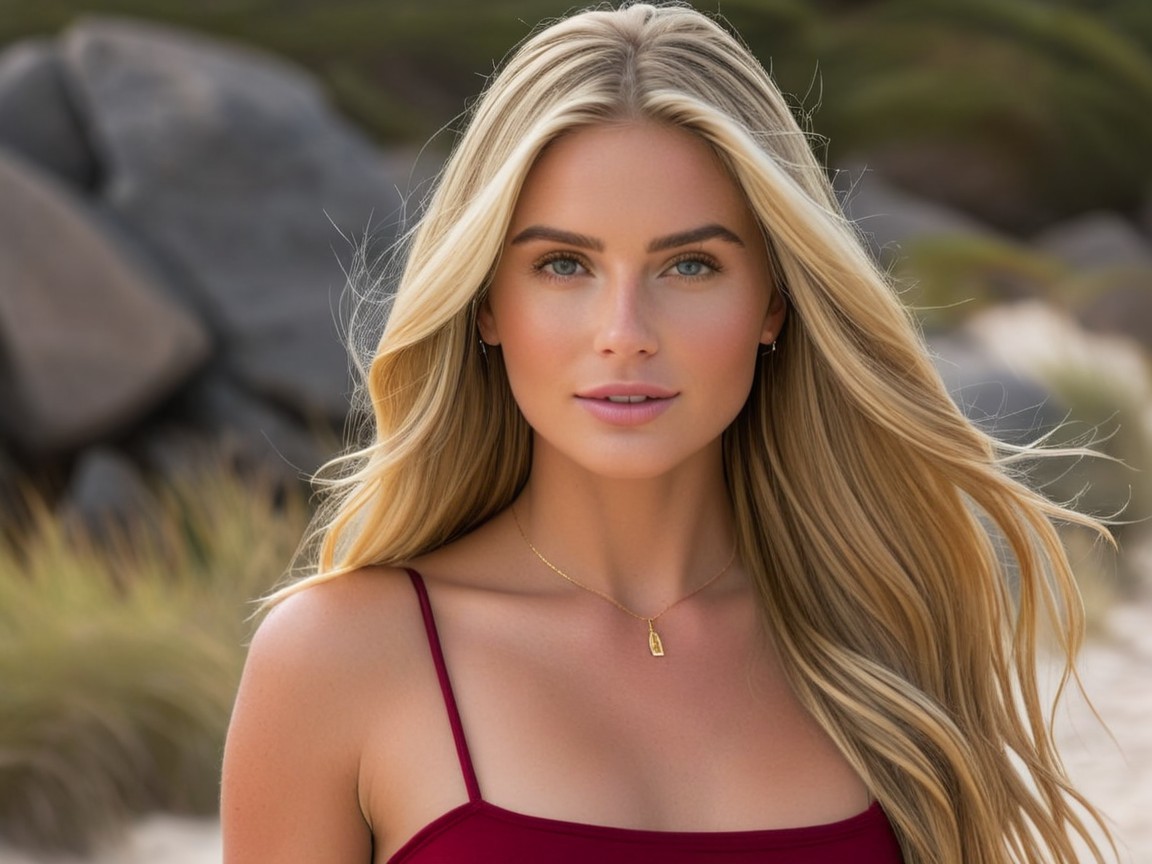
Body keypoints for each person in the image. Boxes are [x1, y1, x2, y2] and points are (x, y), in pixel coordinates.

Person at [220, 3, 1117, 862]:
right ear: (487, 302)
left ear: (773, 300)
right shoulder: (340, 659)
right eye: (563, 264)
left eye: (690, 264)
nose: (624, 329)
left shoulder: (883, 635)